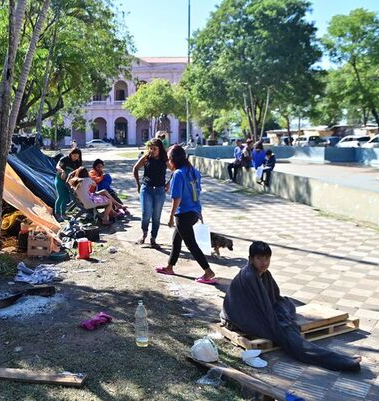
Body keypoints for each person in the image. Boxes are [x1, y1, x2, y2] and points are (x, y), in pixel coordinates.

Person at [221, 241, 361, 372]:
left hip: (257, 310)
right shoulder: (249, 275)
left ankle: (342, 360)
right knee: (290, 337)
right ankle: (342, 362)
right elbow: (263, 309)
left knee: (286, 304)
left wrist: (282, 315)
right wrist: (281, 327)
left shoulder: (264, 274)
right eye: (260, 259)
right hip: (240, 317)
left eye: (267, 259)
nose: (264, 263)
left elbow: (274, 297)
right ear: (251, 259)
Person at [155, 145, 216, 284]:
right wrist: (199, 211)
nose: (168, 162)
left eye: (169, 159)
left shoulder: (178, 174)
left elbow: (177, 198)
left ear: (173, 159)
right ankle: (170, 267)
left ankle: (208, 272)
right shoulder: (193, 171)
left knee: (191, 244)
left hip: (183, 214)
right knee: (176, 240)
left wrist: (171, 217)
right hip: (193, 212)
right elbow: (197, 192)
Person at [133, 138, 168, 248]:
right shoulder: (146, 158)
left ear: (160, 149)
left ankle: (153, 238)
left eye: (155, 149)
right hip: (146, 189)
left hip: (160, 190)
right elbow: (135, 168)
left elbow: (175, 171)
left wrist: (168, 184)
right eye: (150, 148)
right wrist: (138, 184)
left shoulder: (164, 160)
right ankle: (144, 234)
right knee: (146, 214)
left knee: (156, 216)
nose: (152, 151)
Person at [54, 148, 82, 221]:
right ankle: (57, 214)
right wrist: (62, 171)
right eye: (74, 155)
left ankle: (63, 214)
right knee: (61, 196)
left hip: (69, 181)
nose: (75, 157)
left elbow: (78, 173)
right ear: (71, 154)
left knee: (66, 197)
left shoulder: (77, 163)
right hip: (60, 179)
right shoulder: (64, 159)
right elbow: (58, 166)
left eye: (77, 156)